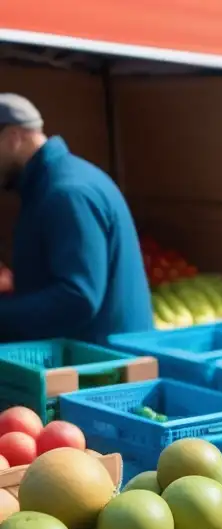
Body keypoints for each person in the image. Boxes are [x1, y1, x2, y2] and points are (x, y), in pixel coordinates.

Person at [0, 94, 152, 343]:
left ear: (13, 138)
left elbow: (78, 298)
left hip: (104, 368)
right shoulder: (52, 186)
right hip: (92, 360)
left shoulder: (67, 193)